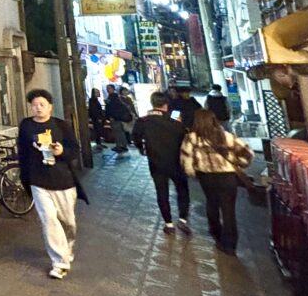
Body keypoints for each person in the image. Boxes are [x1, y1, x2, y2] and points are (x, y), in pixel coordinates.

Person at [17, 89, 84, 279]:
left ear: (50, 107)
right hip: (38, 180)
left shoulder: (61, 126)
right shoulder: (26, 126)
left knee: (68, 222)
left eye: (42, 105)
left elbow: (74, 149)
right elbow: (22, 150)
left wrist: (61, 152)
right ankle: (59, 262)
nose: (38, 108)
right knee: (49, 219)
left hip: (63, 180)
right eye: (34, 105)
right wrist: (24, 175)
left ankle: (67, 247)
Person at [181, 109, 253, 255]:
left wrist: (193, 173)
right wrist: (236, 161)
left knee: (212, 204)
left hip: (206, 177)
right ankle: (230, 245)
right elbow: (248, 154)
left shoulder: (192, 138)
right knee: (229, 210)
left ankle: (216, 234)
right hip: (227, 177)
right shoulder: (226, 136)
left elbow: (186, 160)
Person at [132, 91, 191, 235]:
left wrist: (142, 149)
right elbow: (185, 137)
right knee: (182, 190)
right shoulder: (174, 121)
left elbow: (136, 137)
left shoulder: (143, 121)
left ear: (152, 103)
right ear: (166, 104)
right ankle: (183, 219)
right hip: (176, 162)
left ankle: (168, 224)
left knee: (161, 192)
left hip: (156, 162)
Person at [104, 85, 132, 153]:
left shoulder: (114, 97)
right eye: (107, 88)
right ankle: (122, 145)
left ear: (113, 89)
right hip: (116, 117)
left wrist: (112, 116)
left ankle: (121, 145)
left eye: (109, 88)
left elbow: (113, 108)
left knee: (118, 132)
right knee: (119, 131)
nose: (108, 90)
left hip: (115, 118)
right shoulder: (112, 97)